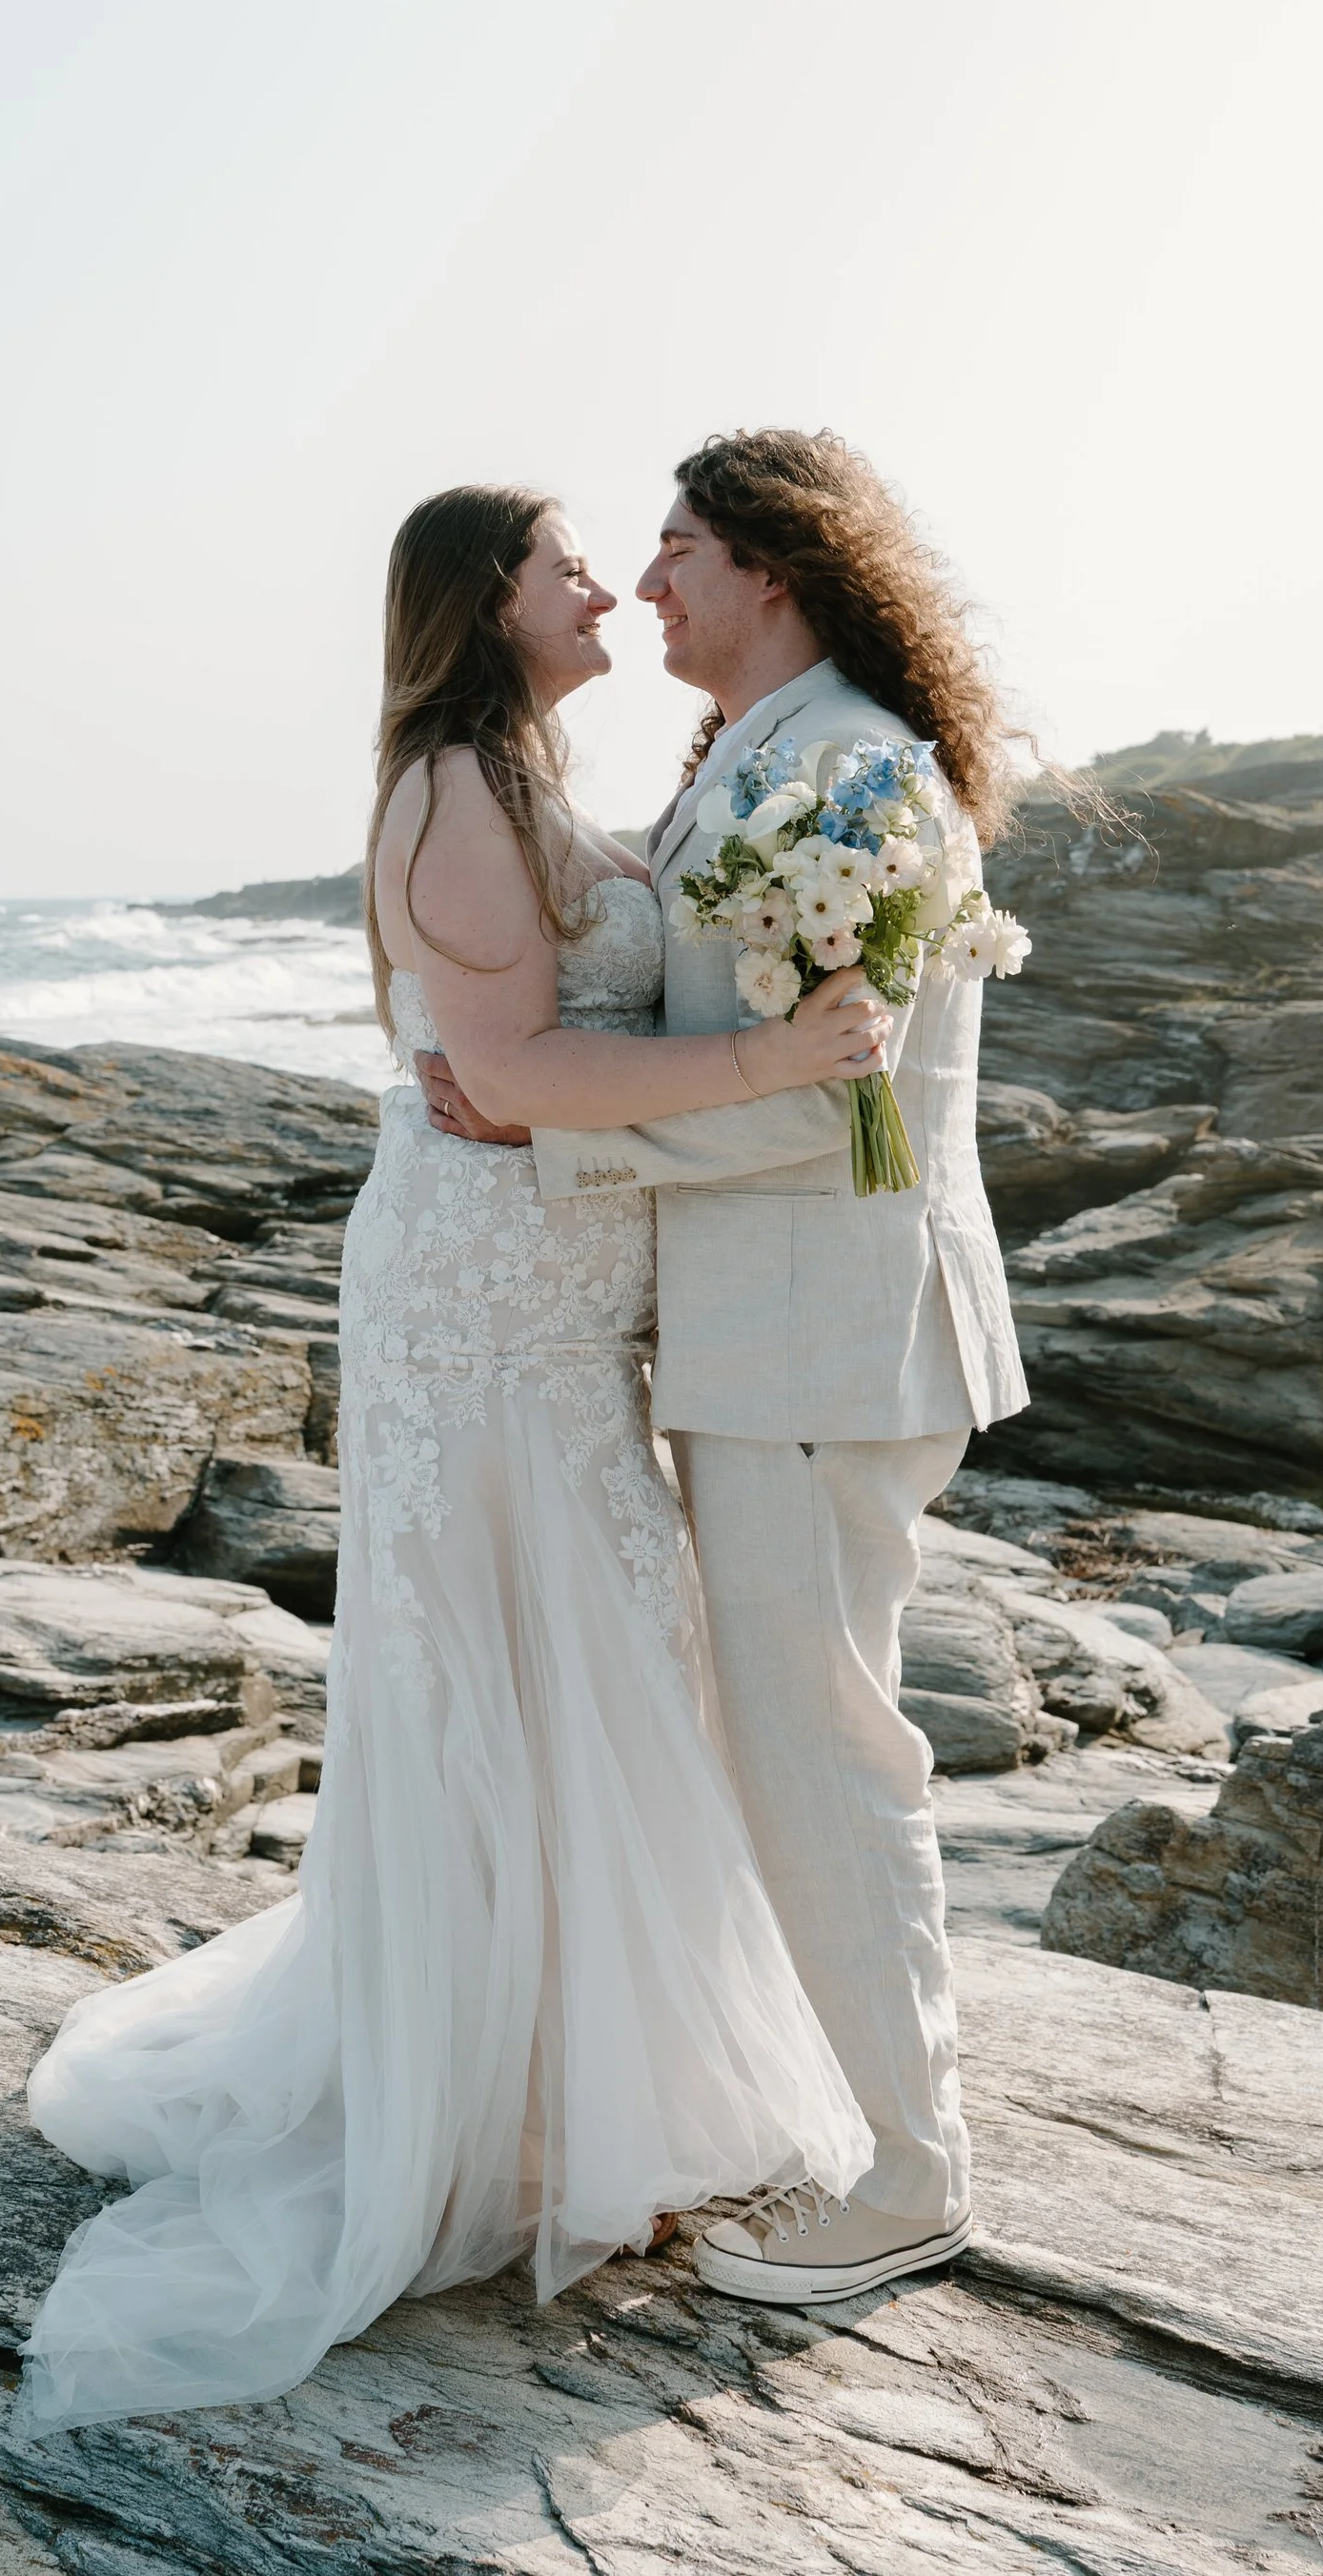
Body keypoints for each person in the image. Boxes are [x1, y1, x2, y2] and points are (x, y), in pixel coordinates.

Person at [16, 484, 885, 2425]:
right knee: (513, 1652)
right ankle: (481, 2108)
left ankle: (581, 2080)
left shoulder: (532, 779)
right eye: (565, 564)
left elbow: (545, 1025)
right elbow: (505, 1073)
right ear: (482, 604)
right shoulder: (446, 789)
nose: (599, 588)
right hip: (477, 1305)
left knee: (593, 1647)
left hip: (556, 1298)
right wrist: (781, 1058)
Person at [420, 427, 1028, 2304]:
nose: (648, 581)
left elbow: (811, 1100)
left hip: (818, 1340)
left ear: (776, 566)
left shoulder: (844, 768)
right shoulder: (768, 759)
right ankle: (852, 2131)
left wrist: (551, 1138)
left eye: (678, 546)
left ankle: (909, 2173)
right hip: (784, 1335)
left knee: (819, 1750)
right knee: (787, 1739)